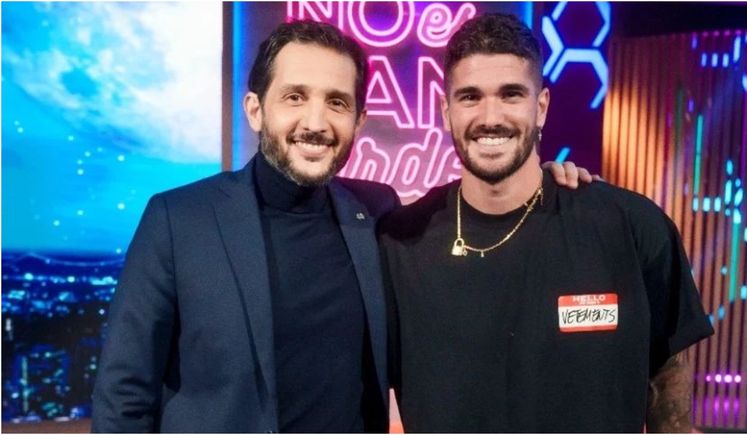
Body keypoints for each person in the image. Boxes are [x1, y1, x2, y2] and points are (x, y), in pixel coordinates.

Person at [91, 19, 589, 433]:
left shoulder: (378, 212)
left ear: (359, 121)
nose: (316, 122)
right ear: (255, 110)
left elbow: (479, 225)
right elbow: (124, 394)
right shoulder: (179, 219)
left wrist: (545, 178)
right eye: (295, 97)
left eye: (336, 102)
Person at [379, 13, 714, 433]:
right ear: (446, 111)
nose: (490, 116)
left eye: (511, 94)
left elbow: (667, 374)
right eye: (469, 97)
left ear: (541, 108)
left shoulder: (631, 227)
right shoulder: (399, 244)